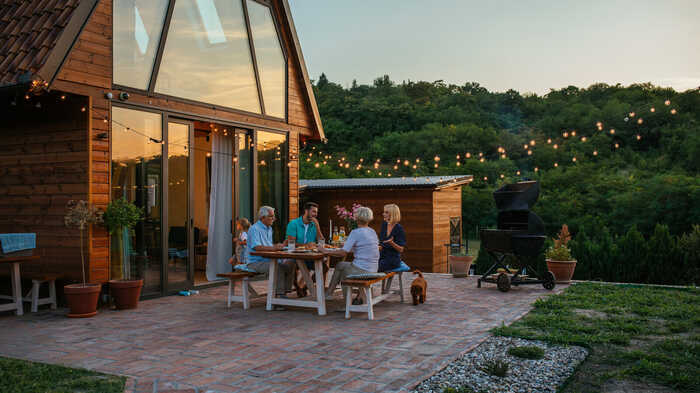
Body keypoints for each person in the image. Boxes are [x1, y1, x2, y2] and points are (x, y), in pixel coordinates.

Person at [317, 206, 379, 299]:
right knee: (340, 265)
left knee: (345, 272)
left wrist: (325, 250)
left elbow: (343, 253)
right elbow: (363, 248)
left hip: (362, 270)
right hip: (373, 268)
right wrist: (344, 248)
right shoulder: (372, 231)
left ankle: (347, 303)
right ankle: (329, 293)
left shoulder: (356, 232)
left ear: (357, 218)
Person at [243, 206, 295, 298]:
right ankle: (279, 296)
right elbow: (257, 247)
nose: (274, 219)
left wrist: (280, 246)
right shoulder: (254, 229)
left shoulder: (269, 229)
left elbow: (268, 246)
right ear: (263, 218)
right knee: (278, 267)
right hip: (255, 262)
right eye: (271, 216)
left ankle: (284, 291)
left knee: (290, 262)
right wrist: (274, 248)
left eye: (273, 216)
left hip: (267, 259)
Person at [378, 204, 406, 272]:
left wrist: (392, 243)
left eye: (386, 212)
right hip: (381, 256)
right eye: (384, 212)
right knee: (367, 264)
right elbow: (381, 244)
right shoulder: (384, 225)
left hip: (392, 259)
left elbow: (401, 249)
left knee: (374, 267)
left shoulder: (399, 228)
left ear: (393, 214)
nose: (383, 214)